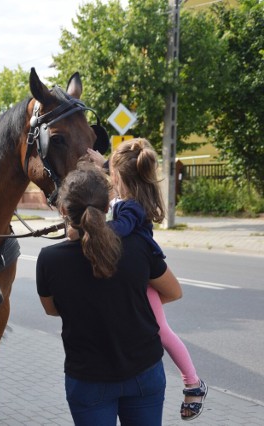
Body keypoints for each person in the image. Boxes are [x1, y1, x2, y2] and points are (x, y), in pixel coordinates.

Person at [36, 161, 183, 425]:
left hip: (88, 378)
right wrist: (129, 298)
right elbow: (173, 292)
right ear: (107, 207)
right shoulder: (138, 244)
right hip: (144, 372)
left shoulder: (49, 259)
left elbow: (51, 309)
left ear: (62, 210)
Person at [91, 139, 208, 421]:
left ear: (118, 177)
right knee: (156, 325)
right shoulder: (132, 194)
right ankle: (192, 382)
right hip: (140, 274)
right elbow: (120, 170)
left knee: (161, 330)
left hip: (144, 273)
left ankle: (193, 383)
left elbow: (121, 228)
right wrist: (102, 161)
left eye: (112, 173)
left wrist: (95, 227)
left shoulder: (131, 208)